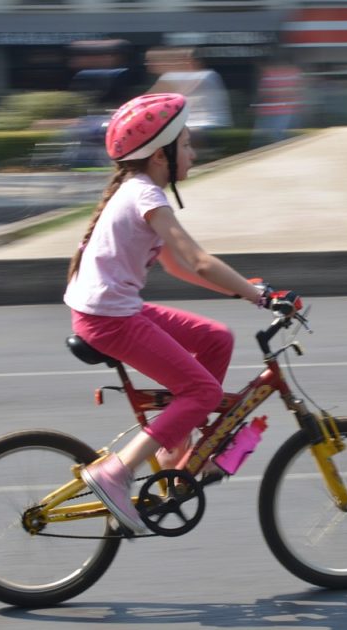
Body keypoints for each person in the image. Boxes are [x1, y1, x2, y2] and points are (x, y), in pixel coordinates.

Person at [64, 92, 284, 534]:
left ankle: (175, 453)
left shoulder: (139, 191)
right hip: (109, 319)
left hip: (112, 309)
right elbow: (198, 260)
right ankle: (117, 471)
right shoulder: (145, 195)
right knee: (202, 393)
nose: (192, 153)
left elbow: (178, 266)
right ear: (160, 155)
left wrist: (244, 291)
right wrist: (259, 299)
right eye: (185, 145)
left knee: (216, 338)